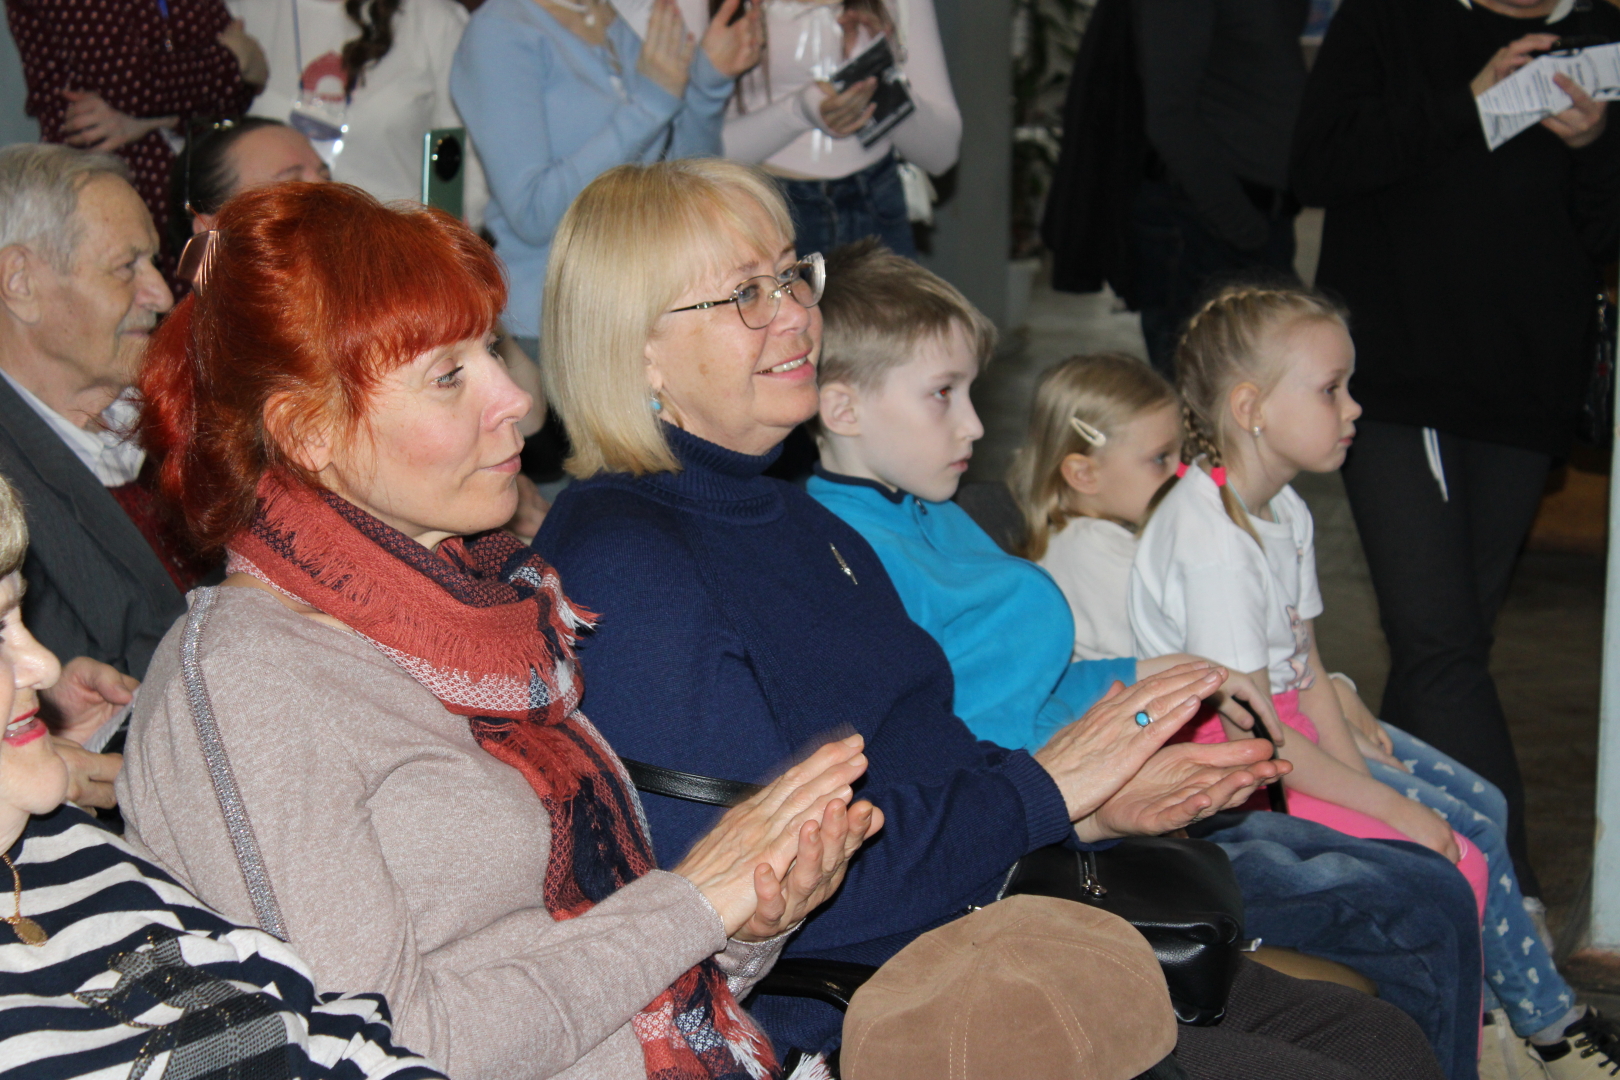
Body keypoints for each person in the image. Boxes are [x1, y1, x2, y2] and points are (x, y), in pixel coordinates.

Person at [529, 156, 1457, 1079]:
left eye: (791, 275)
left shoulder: (791, 514)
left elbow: (925, 752)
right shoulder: (627, 561)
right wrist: (1048, 788)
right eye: (746, 294)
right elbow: (764, 893)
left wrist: (1098, 808)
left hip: (985, 934)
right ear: (638, 347)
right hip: (887, 1005)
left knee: (1378, 1042)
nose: (798, 314)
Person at [117, 180, 878, 1080]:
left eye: (490, 351)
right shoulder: (251, 679)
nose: (514, 395)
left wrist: (749, 922)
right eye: (449, 376)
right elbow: (378, 1049)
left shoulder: (491, 616)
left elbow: (606, 975)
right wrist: (692, 905)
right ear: (308, 431)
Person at [799, 242, 1476, 1079]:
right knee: (1420, 909)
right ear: (842, 406)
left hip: (1097, 797)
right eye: (944, 394)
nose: (974, 423)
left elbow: (1037, 684)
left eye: (970, 391)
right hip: (1051, 850)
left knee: (1424, 890)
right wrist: (1128, 736)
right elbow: (955, 751)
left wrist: (1160, 675)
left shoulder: (926, 511)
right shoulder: (853, 556)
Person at [1128, 283, 1619, 1078]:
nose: (1355, 407)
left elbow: (1310, 669)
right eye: (1331, 389)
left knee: (1482, 807)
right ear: (1251, 408)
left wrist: (1365, 769)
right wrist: (1391, 805)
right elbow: (1260, 742)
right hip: (1234, 771)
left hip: (1289, 732)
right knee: (1454, 854)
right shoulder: (1212, 544)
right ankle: (1496, 1042)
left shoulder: (1284, 508)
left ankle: (1515, 1021)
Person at [1289, 0, 1620, 904]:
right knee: (1441, 647)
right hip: (1400, 385)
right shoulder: (1389, 18)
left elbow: (1606, 234)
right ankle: (1509, 898)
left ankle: (1398, 879)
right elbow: (1318, 162)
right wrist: (1467, 102)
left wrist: (1596, 144)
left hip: (1526, 391)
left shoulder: (1598, 31)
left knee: (1446, 647)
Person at [0, 468, 452, 1080]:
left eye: (18, 616)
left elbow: (330, 1036)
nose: (44, 665)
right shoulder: (236, 667)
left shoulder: (71, 848)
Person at [450, 0, 763, 353]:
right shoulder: (500, 31)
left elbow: (682, 183)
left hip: (641, 308)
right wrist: (650, 106)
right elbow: (533, 212)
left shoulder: (610, 20)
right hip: (552, 325)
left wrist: (706, 86)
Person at [0, 144, 188, 679]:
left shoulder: (194, 410)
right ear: (20, 282)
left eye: (154, 262)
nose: (160, 295)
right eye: (126, 267)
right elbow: (97, 683)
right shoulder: (7, 489)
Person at [677, 0, 960, 259]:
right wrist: (798, 111)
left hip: (878, 200)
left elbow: (942, 153)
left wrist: (878, 76)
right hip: (761, 209)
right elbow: (684, 161)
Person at [6, 0, 264, 245]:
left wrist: (154, 118)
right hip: (105, 182)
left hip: (194, 177)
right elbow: (133, 84)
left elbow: (241, 92)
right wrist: (233, 58)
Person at [227, 0, 490, 226]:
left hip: (397, 250)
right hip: (276, 248)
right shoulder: (240, 9)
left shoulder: (433, 18)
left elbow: (475, 160)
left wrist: (442, 245)